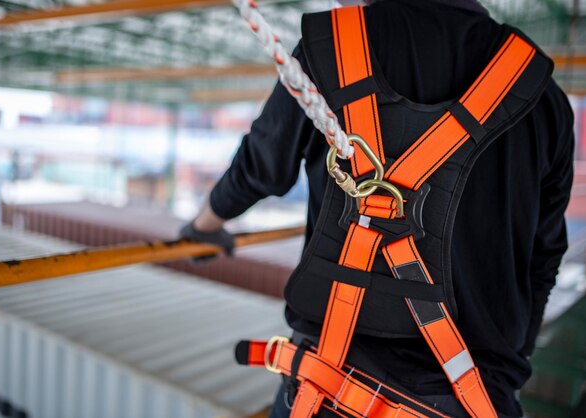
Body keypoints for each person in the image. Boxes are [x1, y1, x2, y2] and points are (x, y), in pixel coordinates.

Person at [181, 0, 574, 417]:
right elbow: (543, 257)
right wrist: (505, 365)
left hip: (330, 387)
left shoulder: (334, 49)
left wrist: (205, 225)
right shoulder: (540, 95)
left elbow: (259, 168)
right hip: (472, 398)